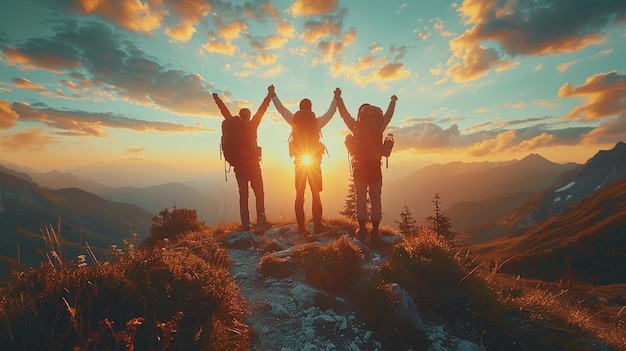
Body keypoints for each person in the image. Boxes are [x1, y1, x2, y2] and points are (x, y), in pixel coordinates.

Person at [272, 89, 337, 235]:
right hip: (314, 162)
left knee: (300, 194)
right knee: (316, 194)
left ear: (300, 108)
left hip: (300, 162)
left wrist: (273, 95)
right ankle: (318, 225)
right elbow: (331, 112)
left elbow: (282, 110)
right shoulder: (316, 122)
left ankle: (301, 227)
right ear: (311, 108)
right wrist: (336, 98)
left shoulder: (294, 120)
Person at [335, 87, 397, 239]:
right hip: (375, 169)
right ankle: (375, 230)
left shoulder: (356, 126)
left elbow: (344, 114)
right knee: (376, 199)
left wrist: (338, 98)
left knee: (361, 199)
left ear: (360, 114)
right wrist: (392, 102)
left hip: (360, 169)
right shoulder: (379, 125)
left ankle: (362, 230)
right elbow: (388, 115)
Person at [213, 85, 274, 231]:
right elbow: (262, 109)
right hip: (253, 166)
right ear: (249, 115)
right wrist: (270, 95)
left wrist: (217, 100)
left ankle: (246, 224)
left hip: (239, 167)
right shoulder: (252, 125)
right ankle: (261, 220)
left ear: (240, 116)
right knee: (259, 194)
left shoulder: (233, 125)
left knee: (243, 196)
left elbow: (225, 111)